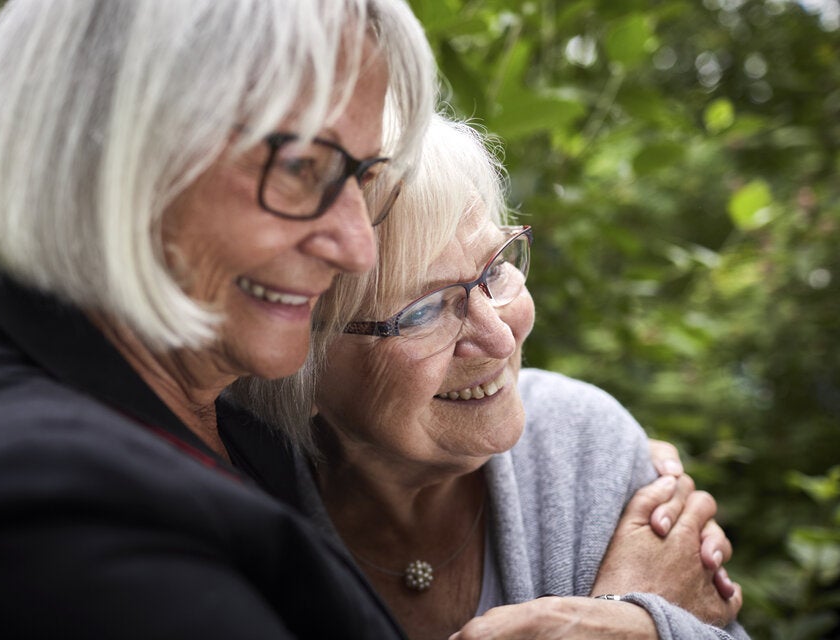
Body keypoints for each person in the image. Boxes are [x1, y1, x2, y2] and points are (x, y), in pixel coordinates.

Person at [0, 1, 437, 637]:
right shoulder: (43, 520)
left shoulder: (210, 407)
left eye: (363, 177)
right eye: (299, 166)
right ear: (108, 152)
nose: (358, 246)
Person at [228, 115, 749, 639]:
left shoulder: (583, 445)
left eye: (494, 268)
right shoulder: (231, 520)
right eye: (425, 310)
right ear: (298, 359)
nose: (501, 339)